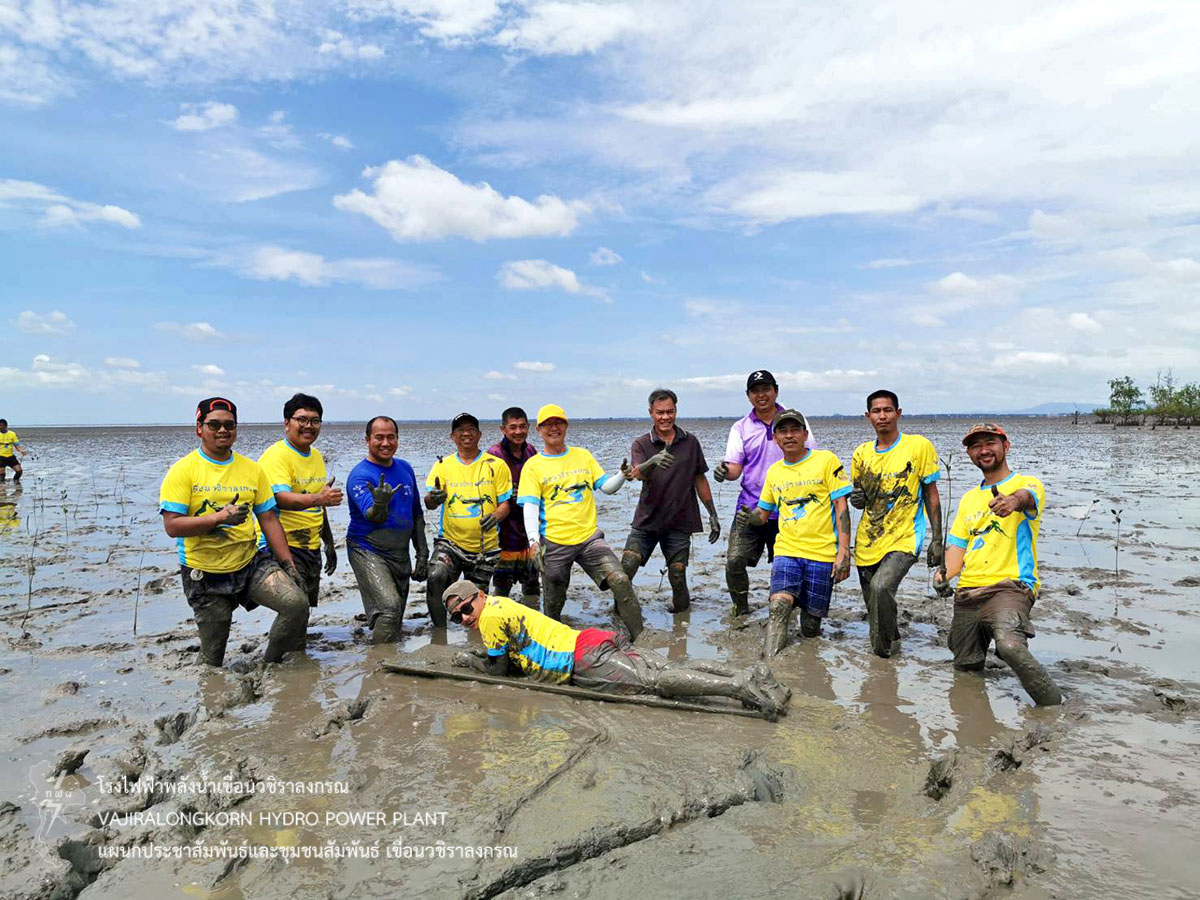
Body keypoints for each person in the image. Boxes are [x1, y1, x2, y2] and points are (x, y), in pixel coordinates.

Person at [442, 581, 791, 719]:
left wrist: (470, 661)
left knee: (655, 683)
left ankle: (737, 686)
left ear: (480, 596)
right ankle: (749, 674)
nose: (465, 618)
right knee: (665, 668)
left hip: (581, 660)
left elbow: (500, 671)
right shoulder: (500, 604)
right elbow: (512, 655)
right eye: (457, 618)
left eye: (466, 609)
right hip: (593, 639)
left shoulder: (489, 619)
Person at [159, 397, 310, 667]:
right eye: (214, 424)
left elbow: (269, 519)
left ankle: (268, 665)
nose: (222, 430)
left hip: (250, 563)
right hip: (204, 573)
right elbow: (172, 526)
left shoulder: (252, 469)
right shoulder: (183, 470)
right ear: (199, 428)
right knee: (212, 656)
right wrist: (218, 518)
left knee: (295, 604)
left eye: (229, 425)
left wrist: (288, 564)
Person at [933, 424, 1062, 706]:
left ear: (1006, 446)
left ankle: (1054, 708)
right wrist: (943, 575)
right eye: (976, 446)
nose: (984, 450)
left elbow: (1026, 497)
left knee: (1010, 646)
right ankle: (975, 720)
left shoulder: (1027, 484)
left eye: (990, 442)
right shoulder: (969, 499)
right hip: (968, 593)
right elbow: (958, 547)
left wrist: (1012, 501)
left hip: (1010, 588)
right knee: (965, 667)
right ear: (969, 454)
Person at [516, 403, 643, 639]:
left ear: (566, 426)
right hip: (553, 542)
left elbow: (606, 487)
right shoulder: (533, 466)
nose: (554, 428)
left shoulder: (583, 456)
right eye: (547, 425)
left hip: (588, 540)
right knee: (553, 603)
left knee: (620, 580)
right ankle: (552, 640)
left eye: (559, 423)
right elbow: (530, 507)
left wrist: (621, 475)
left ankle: (640, 637)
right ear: (539, 430)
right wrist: (533, 541)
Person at [745, 410, 851, 656]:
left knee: (810, 627)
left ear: (805, 434)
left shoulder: (826, 460)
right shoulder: (774, 471)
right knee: (779, 607)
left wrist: (844, 552)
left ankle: (808, 660)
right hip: (787, 550)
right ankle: (770, 661)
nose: (789, 435)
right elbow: (763, 513)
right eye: (783, 431)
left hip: (822, 554)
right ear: (775, 438)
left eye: (795, 430)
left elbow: (841, 506)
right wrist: (749, 517)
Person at [713, 370, 816, 617]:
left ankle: (791, 609)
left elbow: (811, 458)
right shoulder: (740, 427)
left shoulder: (794, 420)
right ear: (748, 395)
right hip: (752, 506)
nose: (761, 395)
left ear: (776, 391)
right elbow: (735, 468)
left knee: (795, 564)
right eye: (755, 391)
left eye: (766, 389)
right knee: (735, 560)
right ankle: (741, 608)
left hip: (791, 508)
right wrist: (724, 471)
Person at [849, 390, 942, 658]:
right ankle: (892, 644)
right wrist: (857, 499)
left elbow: (931, 494)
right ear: (868, 416)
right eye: (876, 411)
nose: (882, 416)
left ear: (898, 413)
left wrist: (937, 539)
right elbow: (860, 499)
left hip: (905, 535)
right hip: (868, 538)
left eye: (887, 410)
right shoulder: (861, 454)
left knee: (881, 587)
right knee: (874, 603)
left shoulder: (918, 447)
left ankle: (883, 657)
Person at [620, 388, 721, 613]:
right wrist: (653, 461)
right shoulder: (641, 444)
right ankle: (620, 613)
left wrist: (713, 515)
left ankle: (681, 620)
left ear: (676, 411)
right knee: (626, 568)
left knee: (677, 574)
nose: (665, 417)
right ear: (651, 413)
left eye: (670, 411)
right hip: (647, 519)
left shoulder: (690, 442)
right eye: (660, 412)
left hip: (680, 520)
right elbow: (638, 473)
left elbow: (700, 478)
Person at [423, 412, 513, 627]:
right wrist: (433, 498)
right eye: (460, 430)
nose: (466, 434)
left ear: (479, 435)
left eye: (471, 430)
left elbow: (506, 504)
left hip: (485, 548)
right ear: (452, 436)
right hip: (451, 543)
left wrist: (496, 516)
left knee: (476, 604)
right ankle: (440, 635)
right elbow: (429, 502)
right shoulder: (442, 465)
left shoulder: (496, 465)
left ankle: (475, 639)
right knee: (435, 576)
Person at [346, 416, 429, 643]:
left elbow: (416, 513)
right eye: (379, 437)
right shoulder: (360, 476)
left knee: (396, 617)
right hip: (367, 549)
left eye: (391, 437)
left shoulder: (405, 468)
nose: (385, 443)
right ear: (367, 440)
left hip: (399, 553)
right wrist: (380, 503)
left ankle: (391, 656)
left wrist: (422, 553)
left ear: (397, 439)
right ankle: (378, 660)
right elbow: (373, 516)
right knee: (389, 608)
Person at [257, 393, 342, 607]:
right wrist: (319, 498)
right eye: (302, 420)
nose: (308, 426)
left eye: (315, 421)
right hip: (283, 547)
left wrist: (329, 543)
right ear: (287, 423)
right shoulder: (276, 455)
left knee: (304, 609)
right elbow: (279, 498)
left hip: (310, 547)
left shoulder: (316, 456)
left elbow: (318, 505)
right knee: (294, 608)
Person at [487, 407, 540, 607]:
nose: (518, 432)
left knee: (532, 583)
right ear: (503, 429)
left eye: (522, 426)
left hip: (528, 528)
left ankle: (533, 615)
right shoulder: (494, 455)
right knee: (502, 586)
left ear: (528, 427)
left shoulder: (531, 452)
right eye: (513, 427)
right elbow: (489, 491)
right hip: (505, 530)